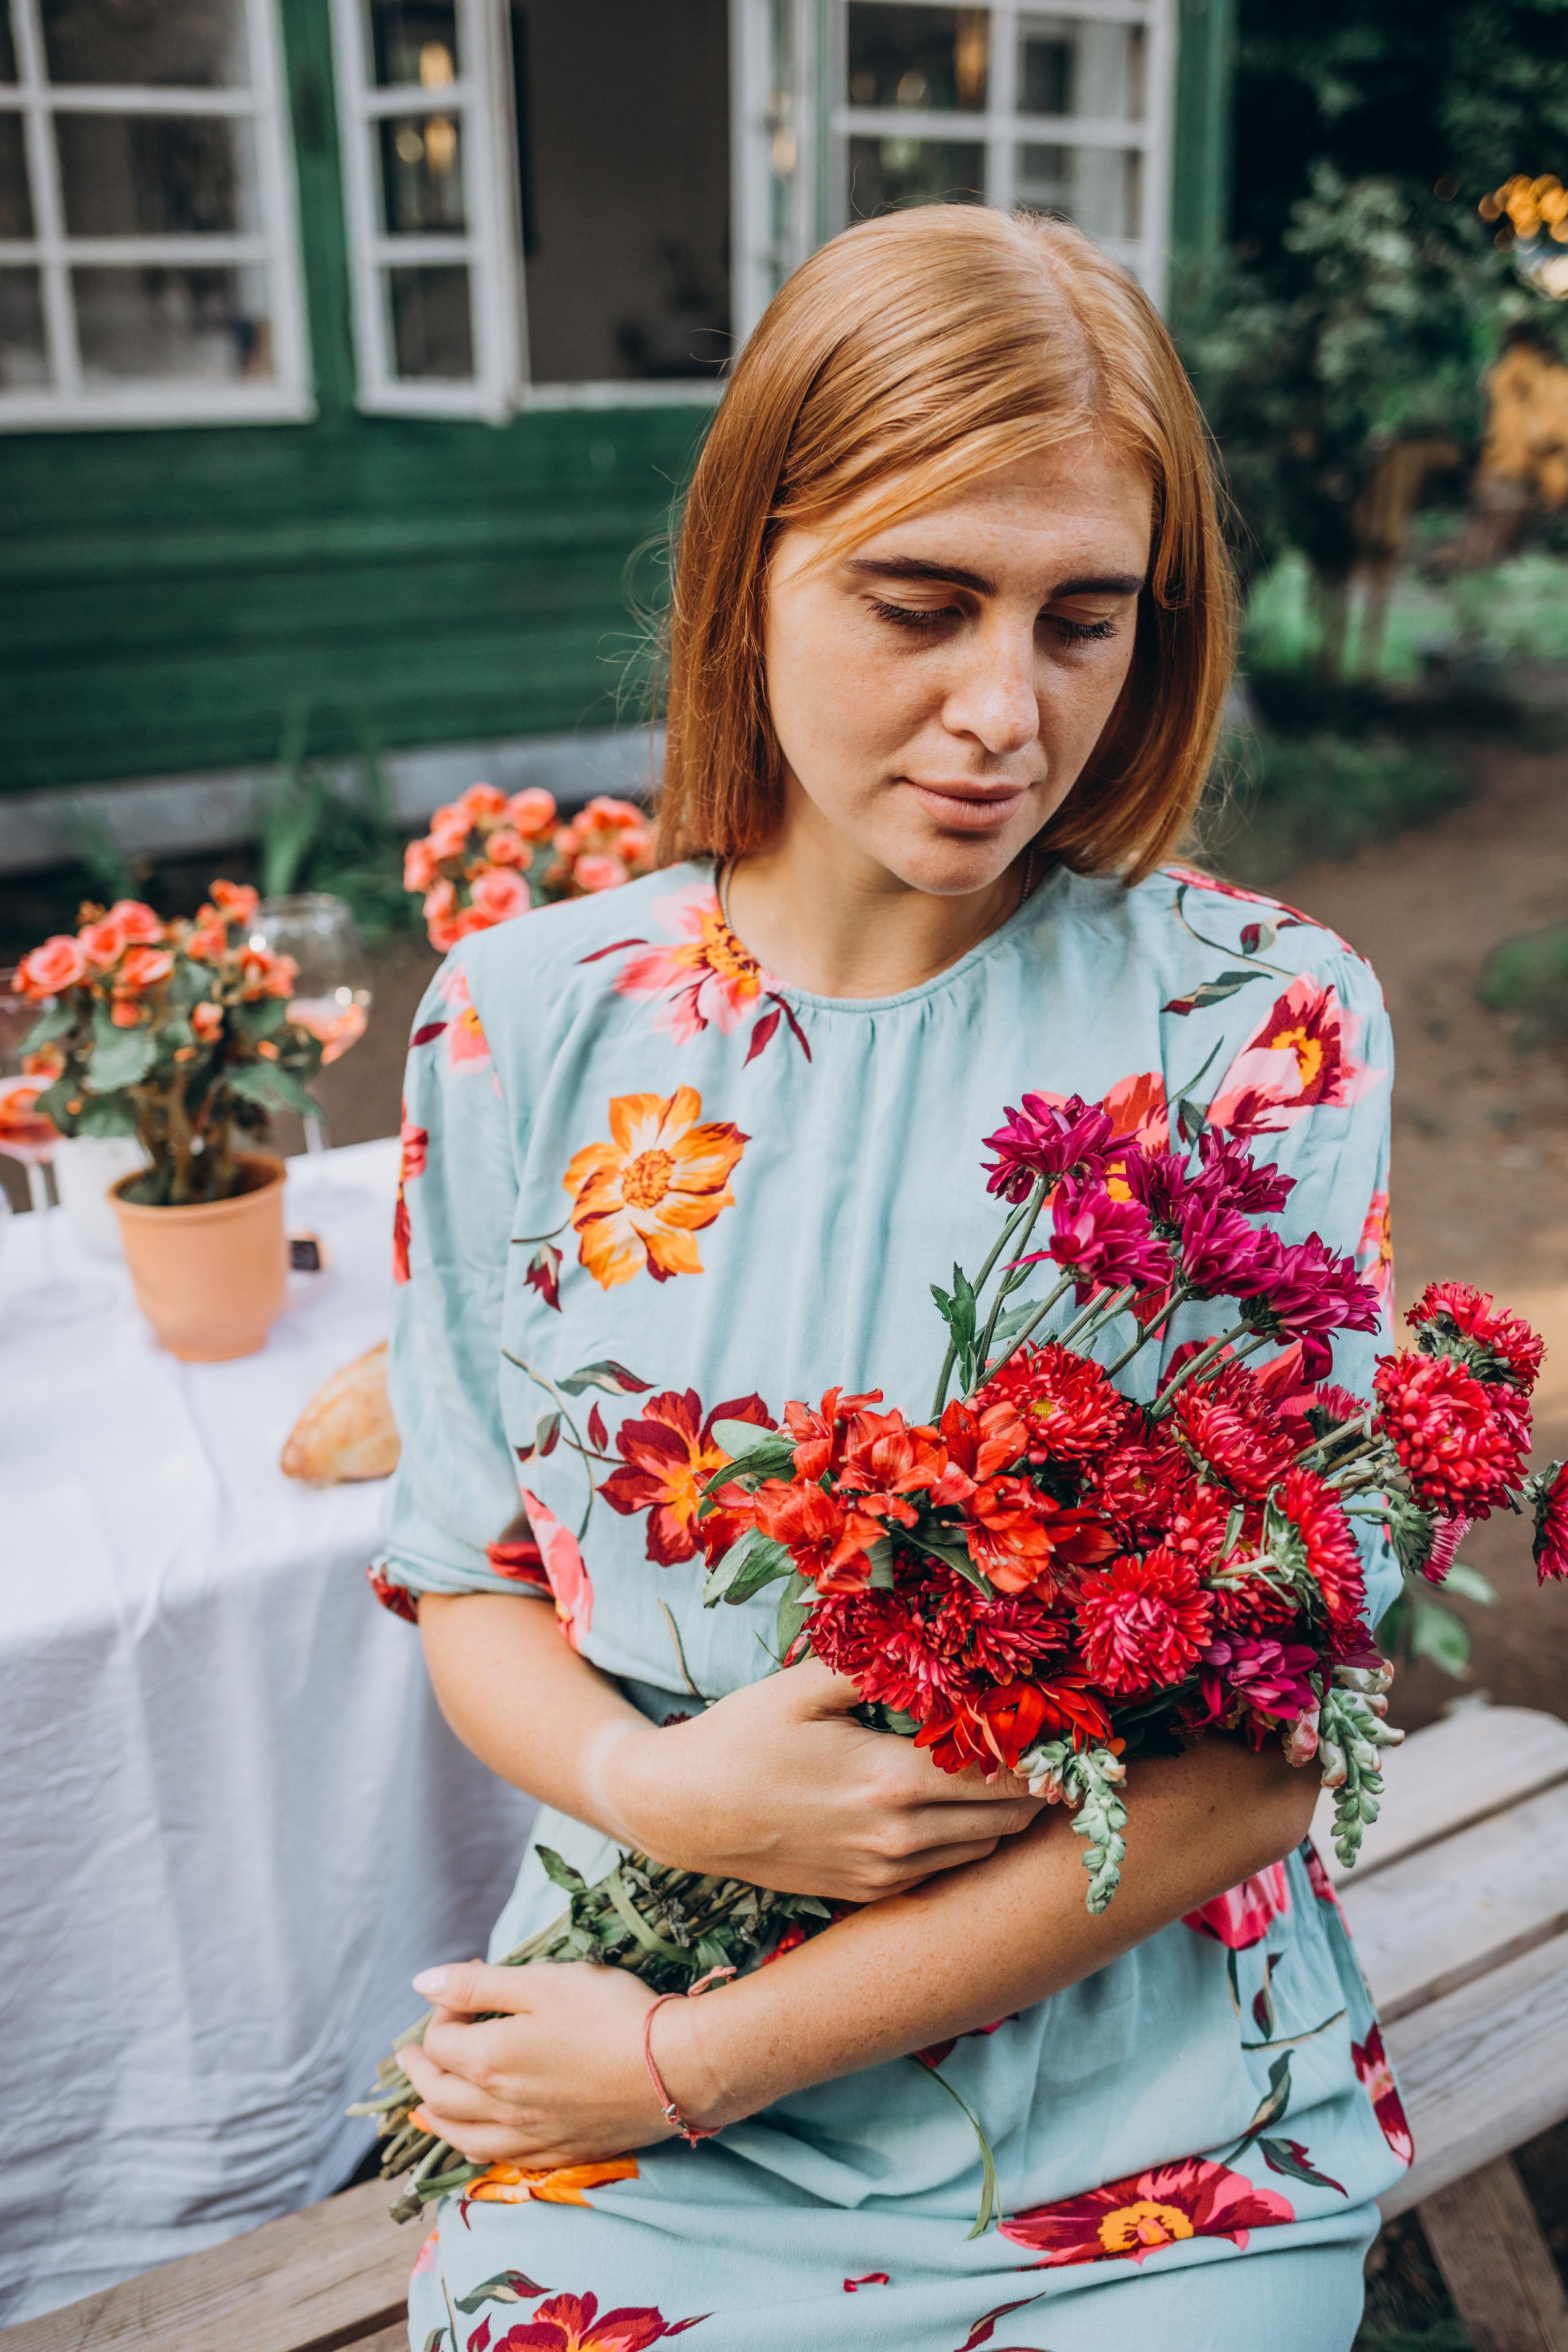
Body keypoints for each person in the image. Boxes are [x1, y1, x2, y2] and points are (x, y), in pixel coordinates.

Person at [376, 206, 1408, 2352]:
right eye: (918, 604)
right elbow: (469, 1574)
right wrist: (658, 1798)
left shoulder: (1257, 1030)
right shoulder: (524, 1018)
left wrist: (702, 2065)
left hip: (1133, 2099)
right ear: (750, 561)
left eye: (1082, 621)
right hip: (632, 2031)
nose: (1001, 713)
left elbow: (1267, 1752)